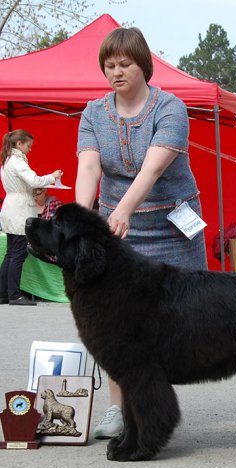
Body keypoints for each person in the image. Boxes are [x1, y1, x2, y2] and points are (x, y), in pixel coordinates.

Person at [75, 27, 208, 440]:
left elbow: (153, 167)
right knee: (115, 324)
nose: (116, 72)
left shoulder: (170, 107)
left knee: (185, 316)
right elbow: (89, 168)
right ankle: (120, 409)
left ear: (143, 65)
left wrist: (125, 210)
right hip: (117, 232)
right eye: (109, 65)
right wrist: (84, 222)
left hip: (172, 226)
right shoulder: (93, 113)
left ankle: (158, 405)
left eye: (124, 64)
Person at [0, 130, 64, 306]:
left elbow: (25, 184)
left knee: (11, 253)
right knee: (18, 254)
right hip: (19, 209)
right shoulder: (18, 161)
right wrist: (52, 176)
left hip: (11, 205)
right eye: (28, 146)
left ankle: (3, 293)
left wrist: (32, 190)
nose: (30, 149)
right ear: (19, 144)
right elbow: (34, 180)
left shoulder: (7, 160)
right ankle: (14, 295)